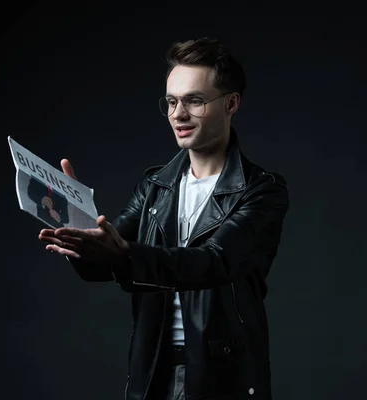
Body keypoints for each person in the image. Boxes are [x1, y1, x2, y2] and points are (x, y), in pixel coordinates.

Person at [39, 37, 289, 400]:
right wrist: (78, 222)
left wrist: (122, 254)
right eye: (171, 102)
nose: (178, 115)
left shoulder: (262, 191)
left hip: (223, 376)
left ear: (231, 103)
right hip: (153, 369)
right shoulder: (156, 185)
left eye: (194, 101)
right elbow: (106, 263)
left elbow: (214, 263)